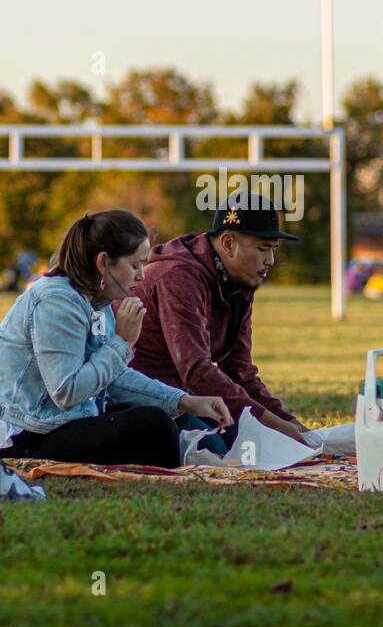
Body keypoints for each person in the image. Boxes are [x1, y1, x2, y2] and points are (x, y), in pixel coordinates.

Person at [0, 210, 231, 467]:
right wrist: (121, 342)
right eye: (135, 265)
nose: (142, 275)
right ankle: (184, 460)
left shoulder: (98, 300)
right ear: (104, 263)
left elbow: (115, 379)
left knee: (180, 416)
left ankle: (195, 451)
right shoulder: (56, 302)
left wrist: (184, 401)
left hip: (62, 421)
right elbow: (67, 392)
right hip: (22, 435)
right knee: (155, 425)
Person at [128, 195, 310, 455]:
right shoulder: (179, 277)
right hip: (139, 395)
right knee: (217, 446)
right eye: (262, 248)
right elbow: (197, 370)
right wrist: (275, 425)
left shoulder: (240, 281)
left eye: (274, 249)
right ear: (228, 242)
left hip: (182, 395)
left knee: (251, 439)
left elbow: (240, 371)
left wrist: (293, 424)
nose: (270, 260)